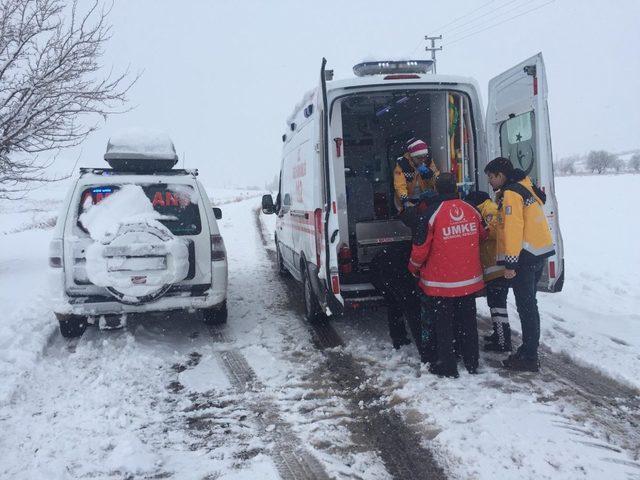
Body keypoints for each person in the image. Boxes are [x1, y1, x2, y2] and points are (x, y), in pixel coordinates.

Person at [408, 173, 487, 378]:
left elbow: (420, 248)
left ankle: (448, 366)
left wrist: (413, 268)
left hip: (441, 283)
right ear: (456, 188)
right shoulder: (471, 210)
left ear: (436, 189)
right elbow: (483, 235)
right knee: (468, 323)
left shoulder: (432, 214)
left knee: (443, 325)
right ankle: (472, 362)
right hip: (469, 281)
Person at [484, 157, 555, 372]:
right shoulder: (525, 186)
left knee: (526, 308)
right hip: (538, 251)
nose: (490, 182)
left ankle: (529, 357)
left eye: (491, 177)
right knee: (529, 306)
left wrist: (510, 263)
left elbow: (513, 228)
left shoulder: (512, 193)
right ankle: (528, 351)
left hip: (525, 256)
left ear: (500, 175)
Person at [465, 191, 512, 352]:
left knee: (498, 306)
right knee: (494, 304)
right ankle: (499, 335)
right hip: (493, 268)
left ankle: (503, 341)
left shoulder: (489, 209)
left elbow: (492, 232)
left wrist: (479, 228)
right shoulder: (485, 209)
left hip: (496, 268)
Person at [370, 243, 424, 355]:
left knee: (396, 303)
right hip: (387, 269)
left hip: (383, 264)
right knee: (407, 304)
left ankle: (399, 337)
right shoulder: (401, 266)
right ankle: (418, 344)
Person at [393, 138, 440, 213]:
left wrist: (430, 175)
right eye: (419, 158)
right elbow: (399, 186)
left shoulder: (428, 161)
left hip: (424, 199)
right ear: (412, 156)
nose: (422, 160)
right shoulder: (402, 165)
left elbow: (437, 178)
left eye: (424, 156)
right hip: (407, 200)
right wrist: (405, 201)